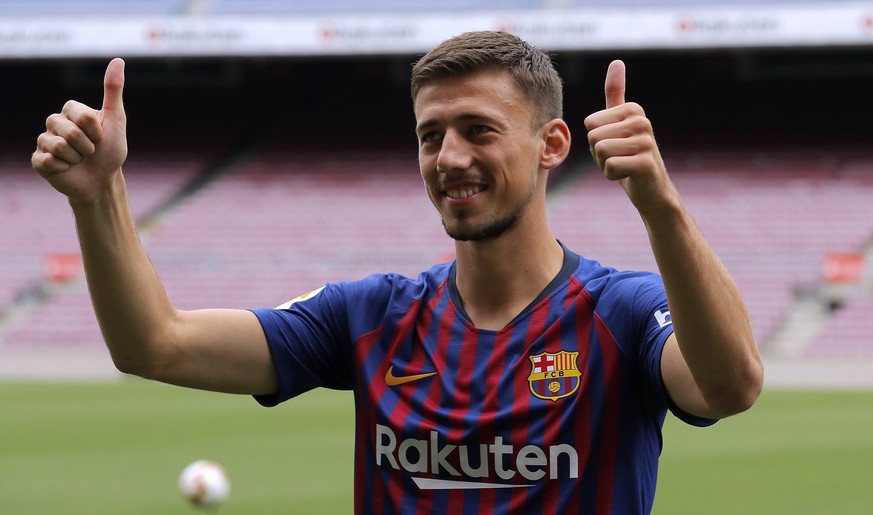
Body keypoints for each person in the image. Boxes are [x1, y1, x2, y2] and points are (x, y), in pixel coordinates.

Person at [32, 31, 762, 514]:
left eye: (478, 130)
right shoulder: (371, 315)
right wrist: (99, 197)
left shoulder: (621, 310)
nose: (448, 157)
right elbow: (154, 344)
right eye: (429, 135)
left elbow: (730, 385)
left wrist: (660, 204)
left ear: (552, 144)